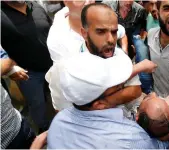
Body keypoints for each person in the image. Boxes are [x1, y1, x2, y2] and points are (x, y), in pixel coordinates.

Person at [46, 2, 155, 112]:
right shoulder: (65, 67)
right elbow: (62, 110)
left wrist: (106, 102)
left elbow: (135, 90)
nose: (111, 40)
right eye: (101, 32)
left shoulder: (120, 56)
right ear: (84, 34)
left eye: (113, 32)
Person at [47, 53, 168, 149]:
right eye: (119, 87)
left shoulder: (59, 120)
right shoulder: (130, 138)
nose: (122, 86)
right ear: (99, 104)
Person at [1, 0, 53, 132]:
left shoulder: (36, 6)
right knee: (37, 104)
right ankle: (44, 129)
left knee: (56, 93)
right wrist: (10, 69)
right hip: (28, 74)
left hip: (52, 66)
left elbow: (51, 29)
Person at [1, 58, 36, 149]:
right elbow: (9, 61)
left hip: (15, 127)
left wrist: (8, 71)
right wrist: (8, 67)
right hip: (15, 132)